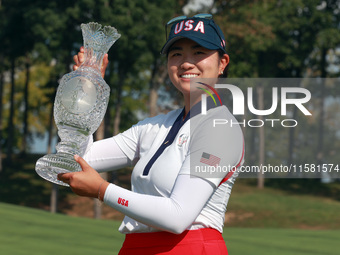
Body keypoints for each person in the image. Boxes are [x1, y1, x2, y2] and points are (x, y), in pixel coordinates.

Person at [58, 13, 244, 255]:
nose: (186, 63)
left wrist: (102, 190)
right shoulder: (155, 126)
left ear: (222, 63)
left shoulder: (221, 127)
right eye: (176, 54)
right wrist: (87, 91)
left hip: (189, 248)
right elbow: (78, 159)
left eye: (199, 52)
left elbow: (178, 216)